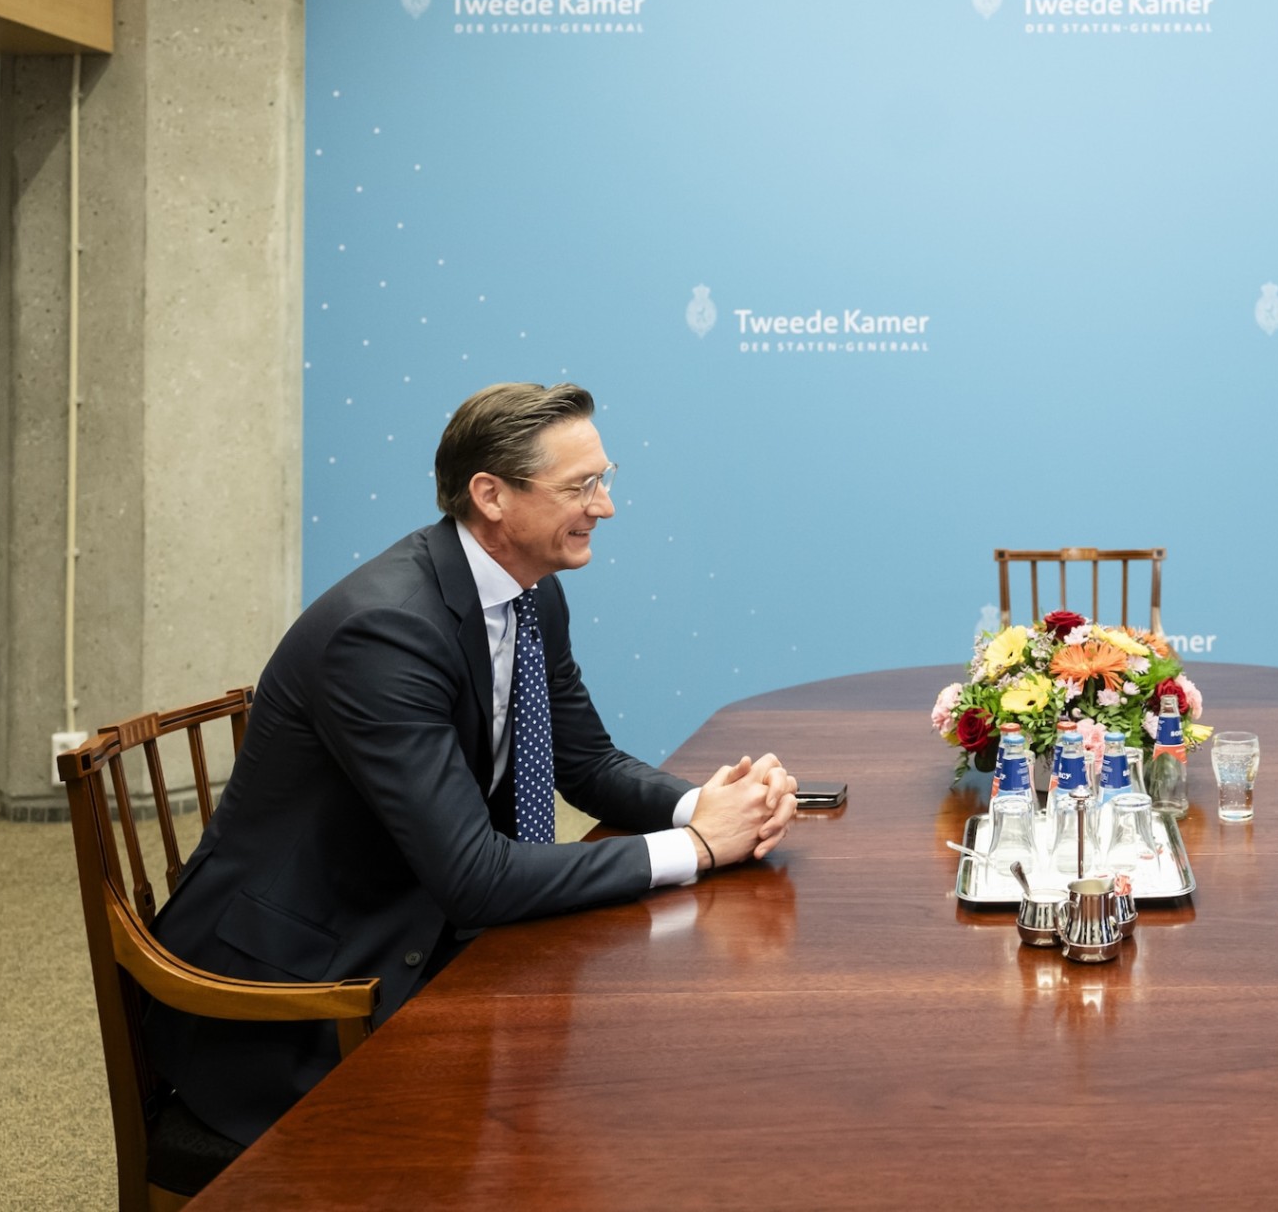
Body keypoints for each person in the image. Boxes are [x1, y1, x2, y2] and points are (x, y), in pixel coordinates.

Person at [146, 382, 798, 1146]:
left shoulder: (531, 596)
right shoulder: (384, 631)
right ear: (491, 495)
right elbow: (475, 876)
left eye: (604, 479)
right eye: (580, 487)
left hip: (420, 922)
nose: (606, 506)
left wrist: (708, 808)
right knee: (593, 1110)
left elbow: (585, 761)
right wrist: (696, 848)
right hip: (296, 994)